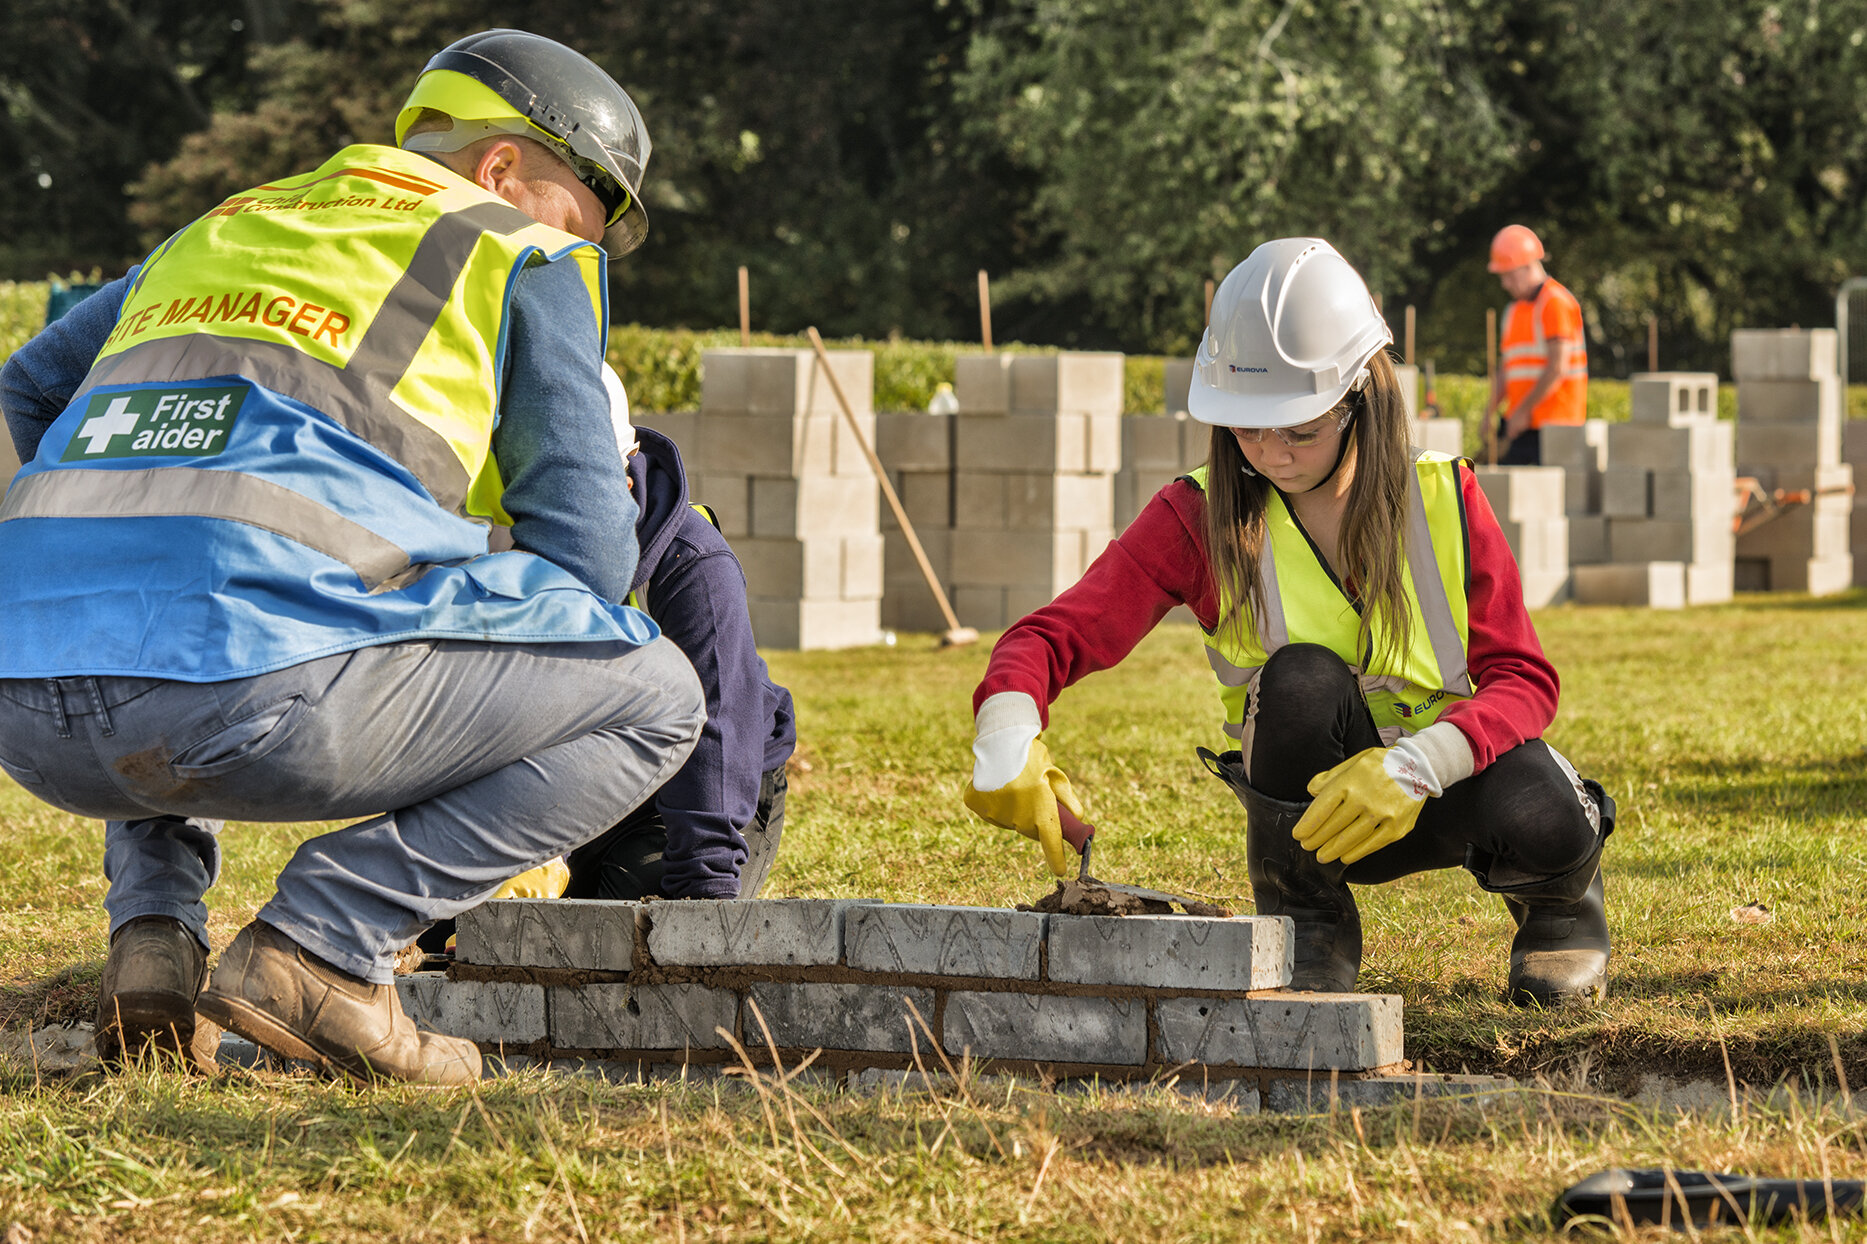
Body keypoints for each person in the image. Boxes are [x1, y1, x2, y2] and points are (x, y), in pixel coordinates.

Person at [0, 30, 706, 1083]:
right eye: (585, 217)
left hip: (26, 702)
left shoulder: (228, 225)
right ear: (502, 168)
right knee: (653, 691)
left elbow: (23, 384)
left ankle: (154, 936)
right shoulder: (520, 251)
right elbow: (587, 565)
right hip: (250, 707)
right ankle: (325, 945)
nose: (587, 248)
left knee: (169, 564)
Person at [961, 238, 1614, 1006]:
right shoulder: (1196, 516)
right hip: (1311, 821)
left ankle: (1559, 912)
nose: (1271, 453)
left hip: (1445, 783)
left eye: (1300, 429)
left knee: (1543, 807)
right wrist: (1005, 730)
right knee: (1299, 674)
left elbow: (1524, 681)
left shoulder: (1443, 498)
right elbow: (1051, 635)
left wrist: (1412, 767)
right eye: (1247, 429)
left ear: (1359, 399)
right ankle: (1307, 921)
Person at [417, 363, 794, 947]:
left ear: (622, 477)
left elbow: (719, 732)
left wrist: (701, 903)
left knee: (620, 916)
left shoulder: (693, 568)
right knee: (461, 926)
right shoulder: (519, 547)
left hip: (696, 798)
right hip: (584, 777)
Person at [1484, 224, 1588, 465]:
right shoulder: (1513, 311)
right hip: (1521, 425)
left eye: (1508, 275)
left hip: (1555, 427)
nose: (1505, 284)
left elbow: (1557, 368)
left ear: (1528, 266)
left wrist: (1522, 412)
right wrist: (1488, 413)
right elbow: (1507, 369)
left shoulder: (1555, 302)